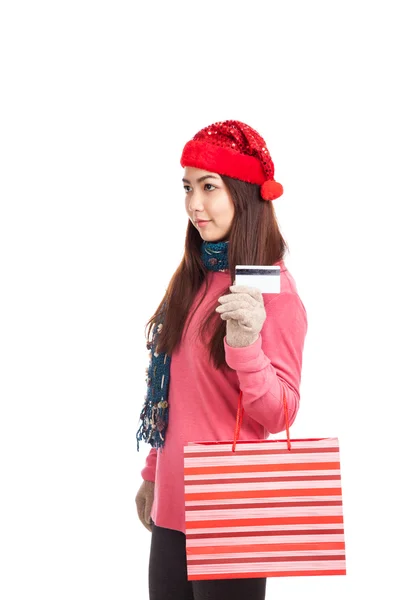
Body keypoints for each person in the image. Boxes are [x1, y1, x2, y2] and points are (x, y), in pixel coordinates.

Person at [135, 119, 308, 600]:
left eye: (209, 187)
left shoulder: (274, 288)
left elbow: (280, 413)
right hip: (172, 506)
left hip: (233, 509)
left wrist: (247, 345)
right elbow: (174, 392)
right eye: (187, 187)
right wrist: (153, 473)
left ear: (244, 193)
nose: (194, 204)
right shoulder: (192, 278)